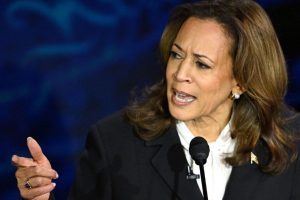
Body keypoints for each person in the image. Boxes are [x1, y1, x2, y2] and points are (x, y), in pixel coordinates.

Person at [12, 0, 300, 199]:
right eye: (176, 55)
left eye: (201, 64)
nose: (179, 73)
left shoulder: (290, 141)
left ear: (241, 79)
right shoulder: (114, 143)